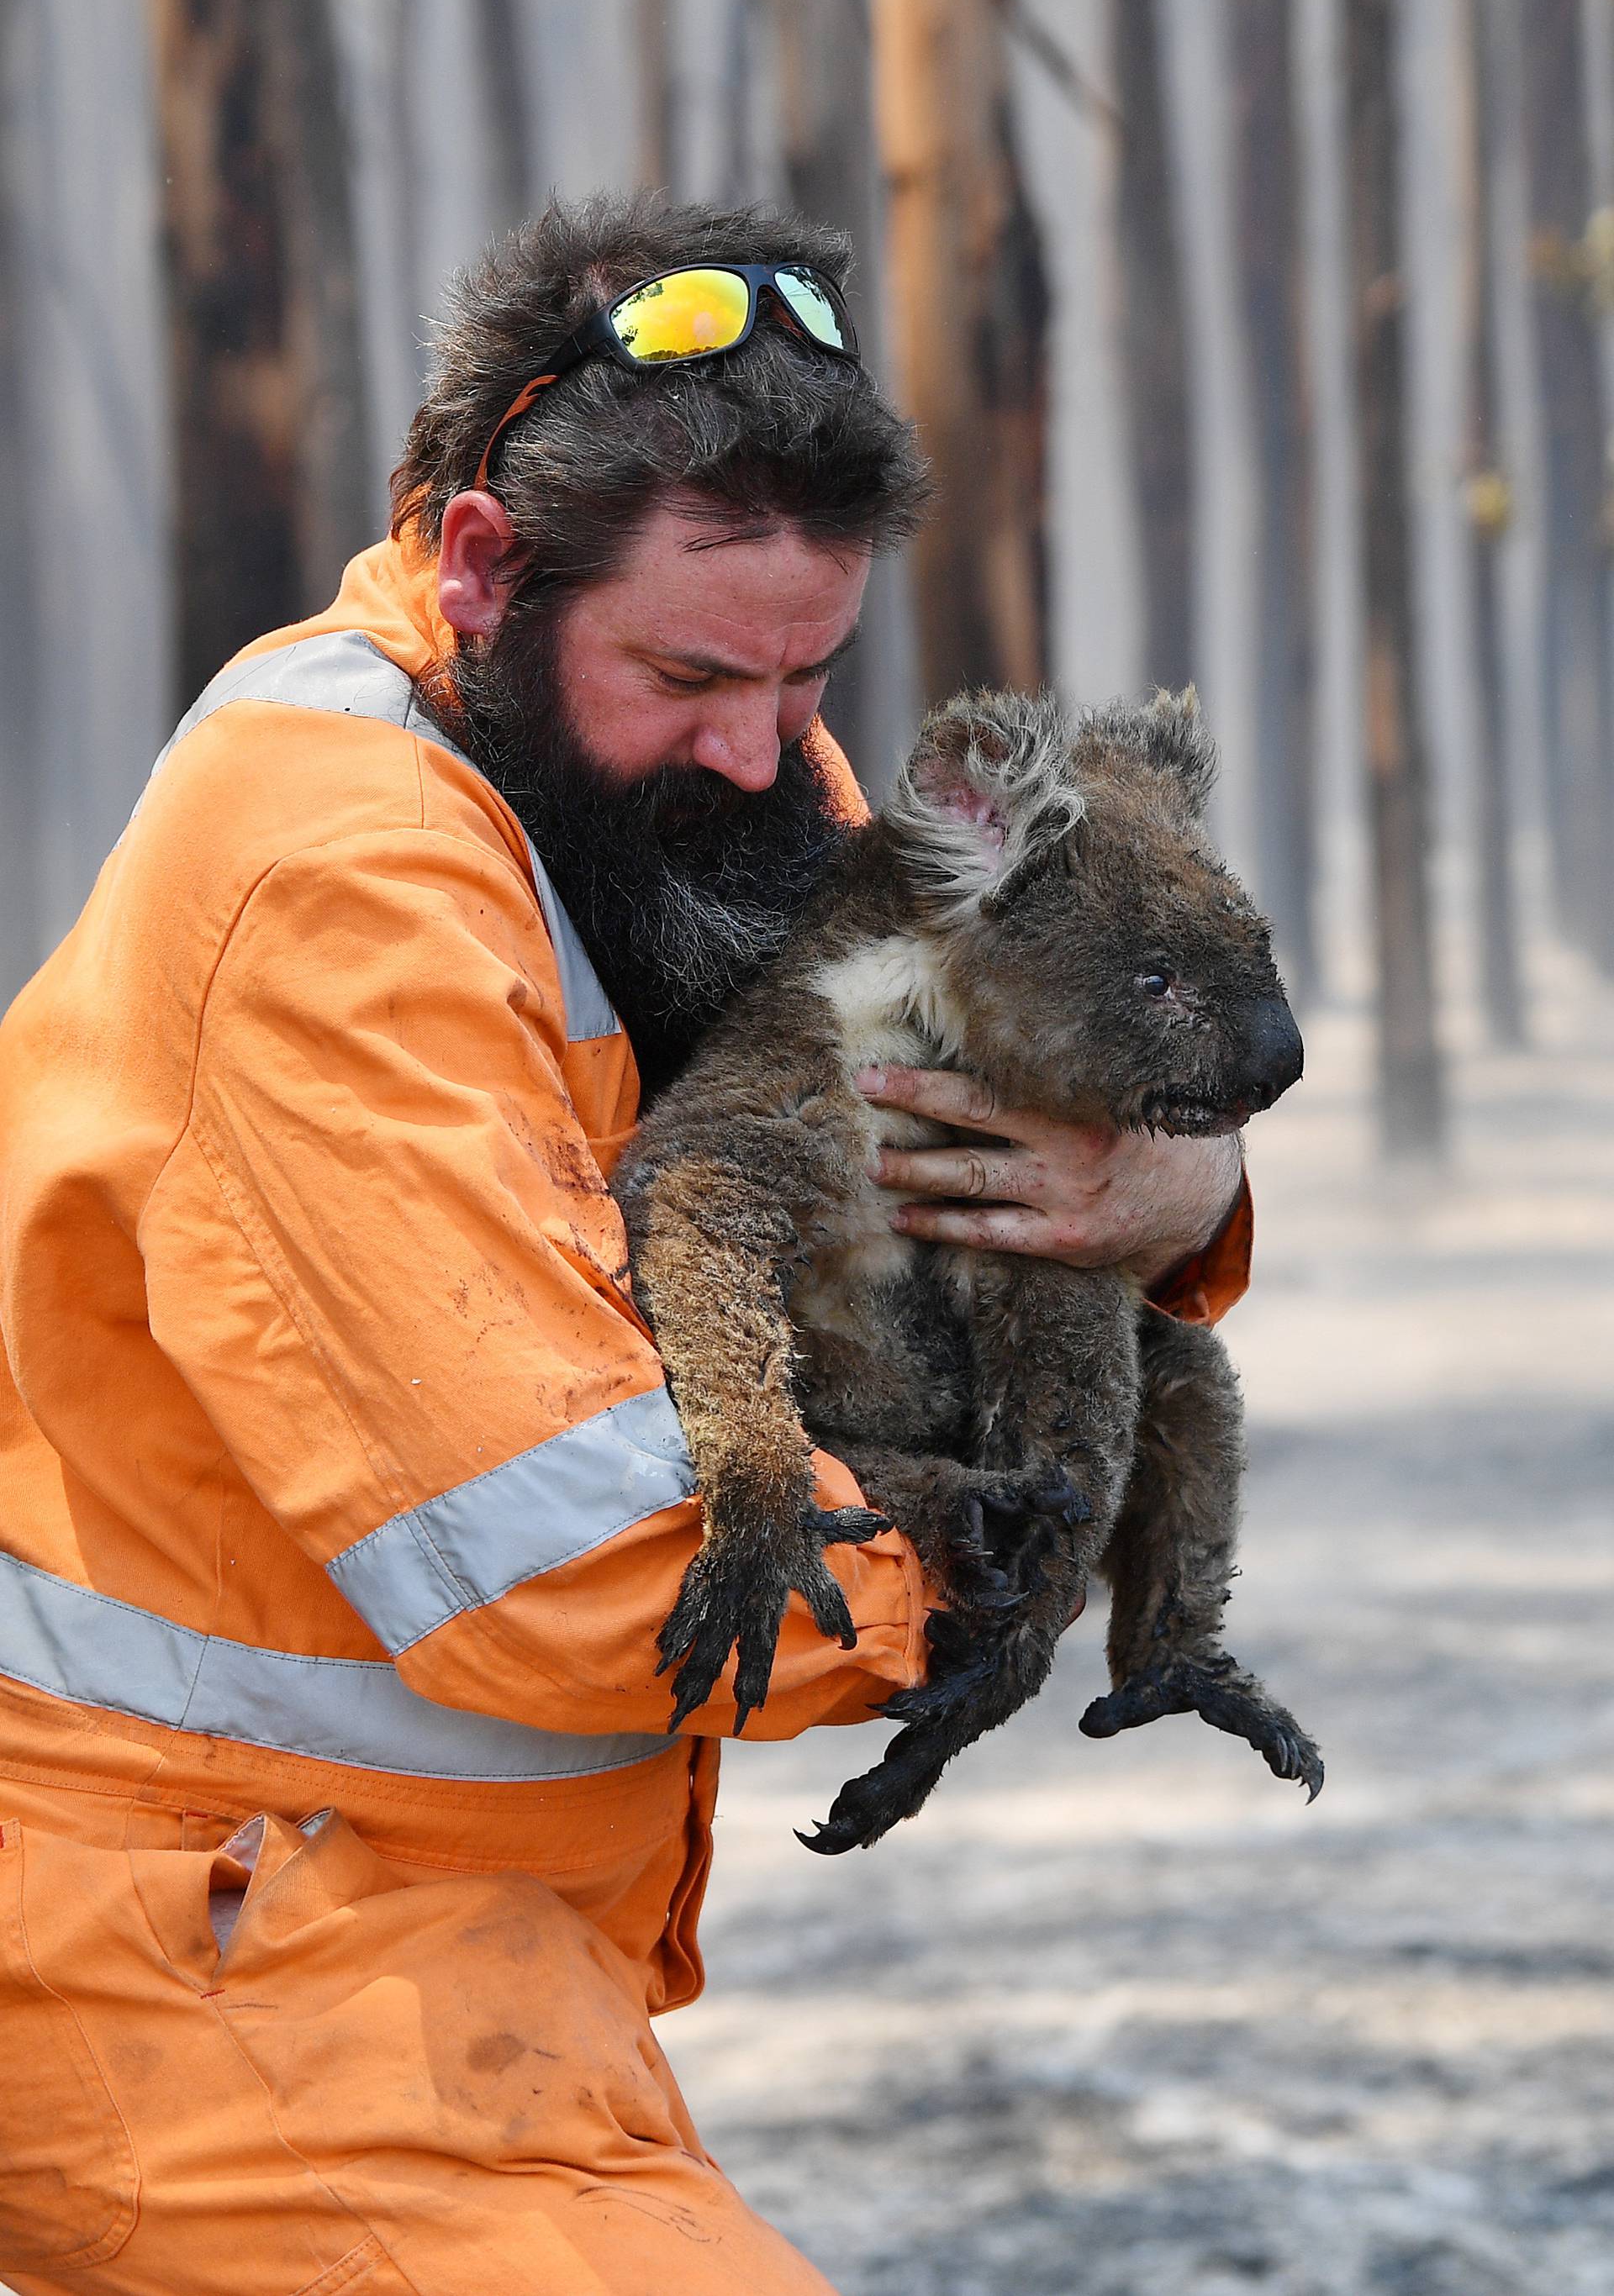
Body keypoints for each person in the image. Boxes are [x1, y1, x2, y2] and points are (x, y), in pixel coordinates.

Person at [0, 195, 1251, 2294]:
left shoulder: (673, 770)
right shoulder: (344, 878)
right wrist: (992, 1555)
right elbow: (563, 1553)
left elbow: (972, 1095)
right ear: (487, 566)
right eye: (695, 671)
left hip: (442, 1953)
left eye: (811, 671)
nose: (775, 749)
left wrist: (1180, 1201)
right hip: (211, 1964)